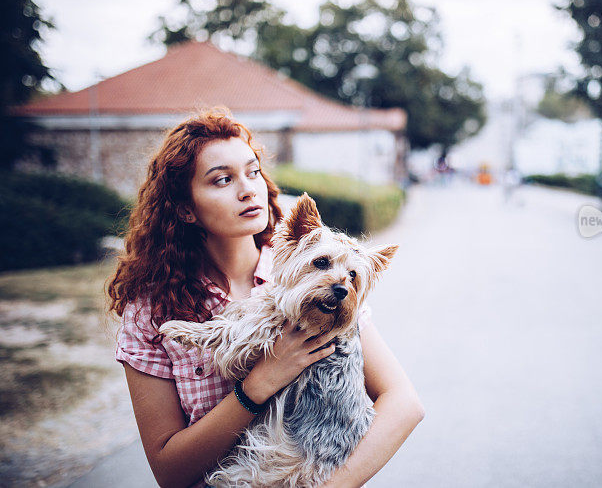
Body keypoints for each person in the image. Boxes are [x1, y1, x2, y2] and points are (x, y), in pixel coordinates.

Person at [108, 109, 424, 488]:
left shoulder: (308, 275)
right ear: (184, 209)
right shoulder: (150, 312)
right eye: (223, 179)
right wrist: (260, 383)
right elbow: (170, 473)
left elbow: (404, 404)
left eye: (253, 171)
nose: (248, 189)